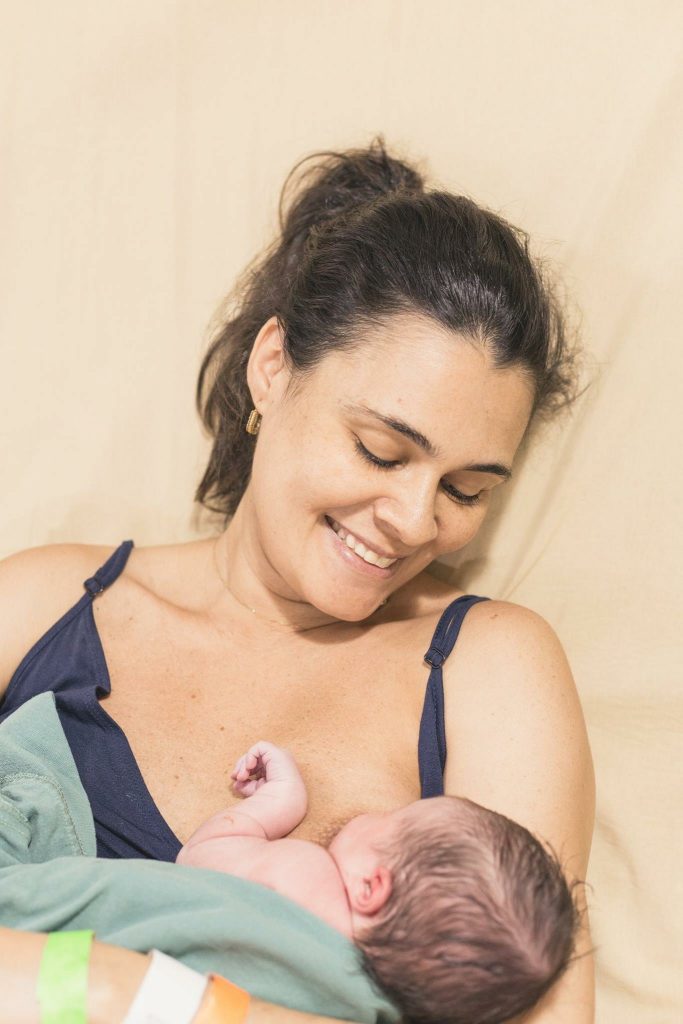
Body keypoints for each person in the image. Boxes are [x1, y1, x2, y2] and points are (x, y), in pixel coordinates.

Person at [0, 137, 595, 1022]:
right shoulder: (41, 607)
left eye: (465, 490)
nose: (414, 520)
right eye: (380, 450)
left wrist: (139, 996)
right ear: (272, 367)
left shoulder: (488, 667)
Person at [178, 739, 579, 1024]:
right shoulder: (372, 1010)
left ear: (370, 888)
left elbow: (200, 858)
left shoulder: (307, 876)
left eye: (395, 816)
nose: (382, 812)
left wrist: (281, 799)